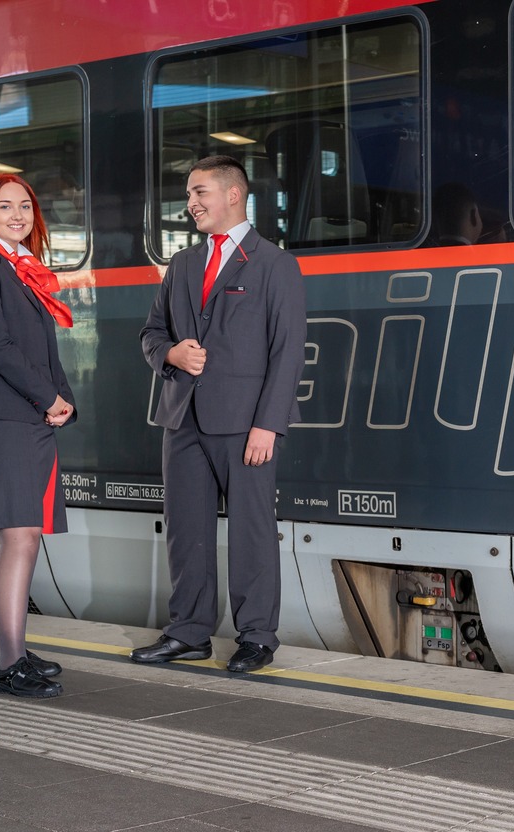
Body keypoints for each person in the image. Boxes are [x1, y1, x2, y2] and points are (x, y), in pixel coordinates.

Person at [135, 155, 307, 673]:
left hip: (246, 424)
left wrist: (268, 424)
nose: (191, 203)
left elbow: (288, 350)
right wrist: (171, 354)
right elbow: (151, 334)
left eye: (200, 193)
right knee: (186, 531)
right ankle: (189, 631)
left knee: (252, 531)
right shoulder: (183, 265)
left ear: (234, 194)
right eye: (189, 194)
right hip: (182, 419)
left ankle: (257, 636)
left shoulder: (274, 263)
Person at [0, 172, 77, 698]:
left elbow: (43, 350)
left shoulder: (21, 268)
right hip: (2, 413)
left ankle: (2, 648)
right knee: (21, 534)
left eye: (25, 205)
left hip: (22, 412)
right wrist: (47, 398)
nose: (19, 215)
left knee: (4, 535)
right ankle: (10, 665)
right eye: (5, 207)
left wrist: (64, 400)